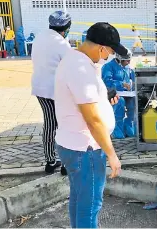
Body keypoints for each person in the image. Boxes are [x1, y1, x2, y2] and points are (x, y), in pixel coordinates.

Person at [54, 22, 127, 228]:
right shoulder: (80, 69)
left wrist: (105, 100)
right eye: (110, 52)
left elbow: (88, 103)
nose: (108, 57)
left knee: (79, 199)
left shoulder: (76, 60)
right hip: (86, 149)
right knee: (91, 205)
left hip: (73, 144)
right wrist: (111, 154)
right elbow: (93, 120)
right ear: (101, 47)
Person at [31, 10, 72, 175]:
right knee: (63, 126)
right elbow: (70, 67)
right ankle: (65, 164)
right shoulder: (62, 44)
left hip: (40, 88)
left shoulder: (39, 37)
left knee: (49, 123)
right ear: (66, 27)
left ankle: (50, 161)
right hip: (57, 91)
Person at [102, 50, 136, 139]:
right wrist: (121, 84)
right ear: (119, 59)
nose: (129, 62)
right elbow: (107, 82)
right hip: (113, 94)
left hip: (127, 94)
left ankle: (129, 127)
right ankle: (116, 130)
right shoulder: (108, 67)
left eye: (129, 60)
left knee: (133, 103)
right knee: (120, 102)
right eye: (127, 60)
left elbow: (134, 78)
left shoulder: (128, 67)